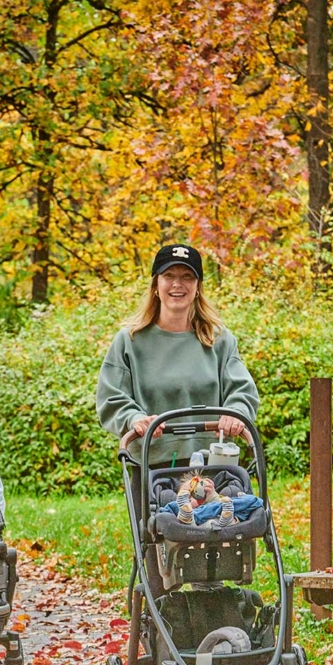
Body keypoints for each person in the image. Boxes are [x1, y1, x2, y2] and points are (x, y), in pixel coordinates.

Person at [96, 242, 260, 592]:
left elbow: (242, 390)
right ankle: (161, 623)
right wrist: (134, 418)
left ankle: (212, 614)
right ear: (155, 284)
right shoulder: (130, 341)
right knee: (158, 551)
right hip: (155, 465)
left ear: (198, 286)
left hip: (212, 463)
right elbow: (111, 397)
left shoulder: (217, 339)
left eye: (187, 277)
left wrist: (236, 416)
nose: (177, 285)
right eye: (169, 275)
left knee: (213, 547)